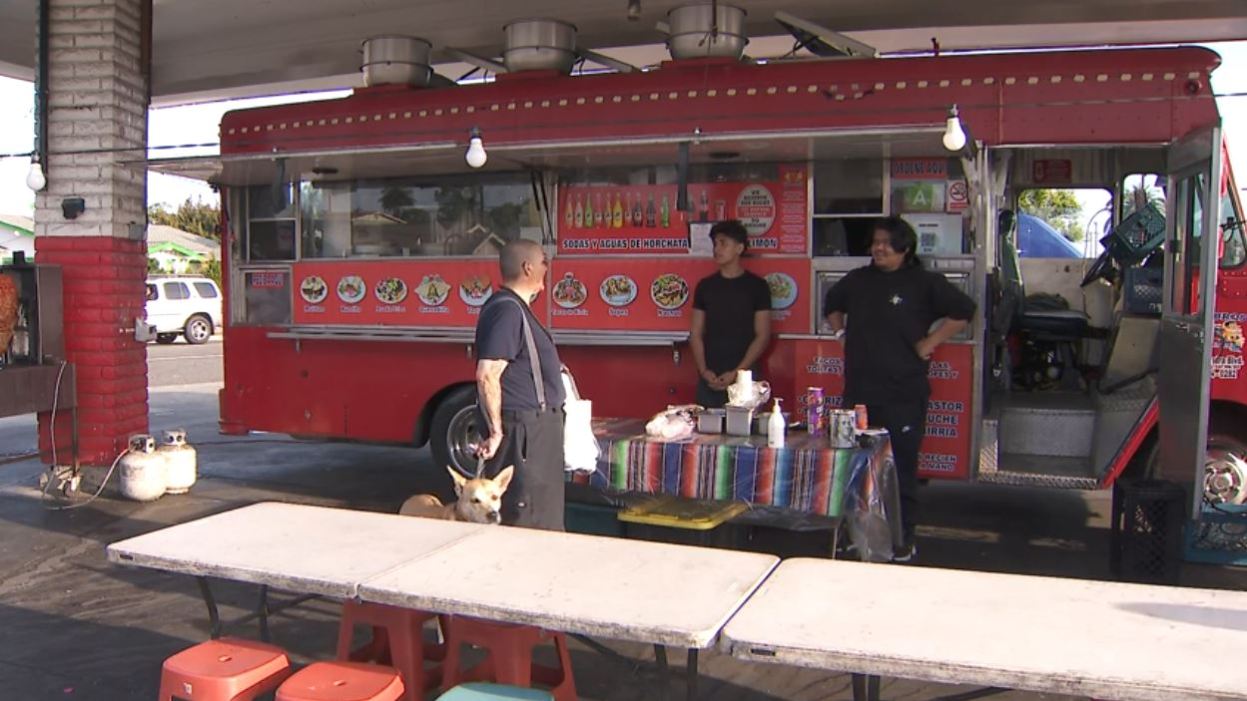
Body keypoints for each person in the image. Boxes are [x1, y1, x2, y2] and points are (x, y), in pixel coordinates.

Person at [823, 216, 976, 562]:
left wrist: (931, 341)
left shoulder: (924, 282)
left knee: (901, 470)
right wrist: (840, 334)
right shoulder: (858, 280)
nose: (878, 248)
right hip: (859, 394)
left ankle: (903, 538)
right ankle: (855, 534)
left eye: (886, 243)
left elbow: (965, 311)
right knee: (855, 468)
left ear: (905, 249)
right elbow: (831, 304)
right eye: (875, 242)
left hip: (904, 393)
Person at [474, 239, 566, 531]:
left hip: (537, 427)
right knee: (528, 513)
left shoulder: (516, 309)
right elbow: (487, 374)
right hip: (524, 429)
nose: (547, 267)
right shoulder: (507, 311)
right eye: (543, 261)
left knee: (544, 511)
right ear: (528, 268)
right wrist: (497, 431)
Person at [690, 220, 772, 408]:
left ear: (739, 248)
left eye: (723, 243)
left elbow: (763, 335)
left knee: (744, 433)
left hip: (745, 378)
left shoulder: (757, 287)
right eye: (715, 244)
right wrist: (704, 371)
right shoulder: (706, 286)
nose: (717, 249)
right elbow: (695, 333)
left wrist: (738, 372)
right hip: (710, 377)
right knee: (705, 434)